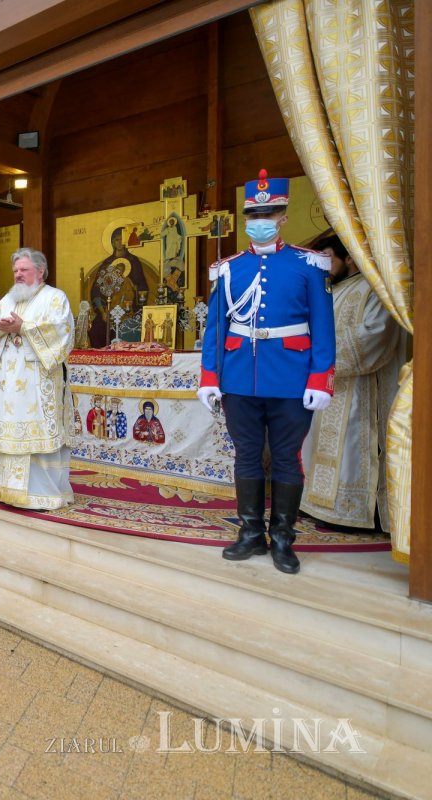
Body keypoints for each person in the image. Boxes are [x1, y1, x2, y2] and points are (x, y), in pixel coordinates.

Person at [198, 169, 335, 574]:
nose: (260, 220)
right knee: (246, 456)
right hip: (240, 376)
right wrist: (209, 376)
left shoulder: (309, 265)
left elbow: (323, 327)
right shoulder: (228, 269)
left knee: (288, 458)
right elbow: (216, 327)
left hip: (292, 377)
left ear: (283, 217)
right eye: (253, 214)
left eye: (269, 212)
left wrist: (320, 377)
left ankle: (283, 538)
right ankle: (250, 533)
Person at [300, 235, 402, 531]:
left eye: (329, 259)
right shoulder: (329, 292)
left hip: (361, 390)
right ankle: (320, 504)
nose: (324, 267)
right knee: (320, 444)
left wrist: (318, 355)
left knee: (354, 444)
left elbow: (375, 335)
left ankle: (357, 512)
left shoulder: (376, 289)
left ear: (349, 258)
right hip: (326, 389)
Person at [0, 248, 75, 510]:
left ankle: (41, 494)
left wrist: (23, 327)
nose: (18, 275)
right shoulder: (8, 299)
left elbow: (62, 332)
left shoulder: (56, 298)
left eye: (24, 270)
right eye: (15, 271)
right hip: (5, 384)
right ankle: (1, 489)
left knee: (37, 434)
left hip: (36, 382)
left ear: (40, 272)